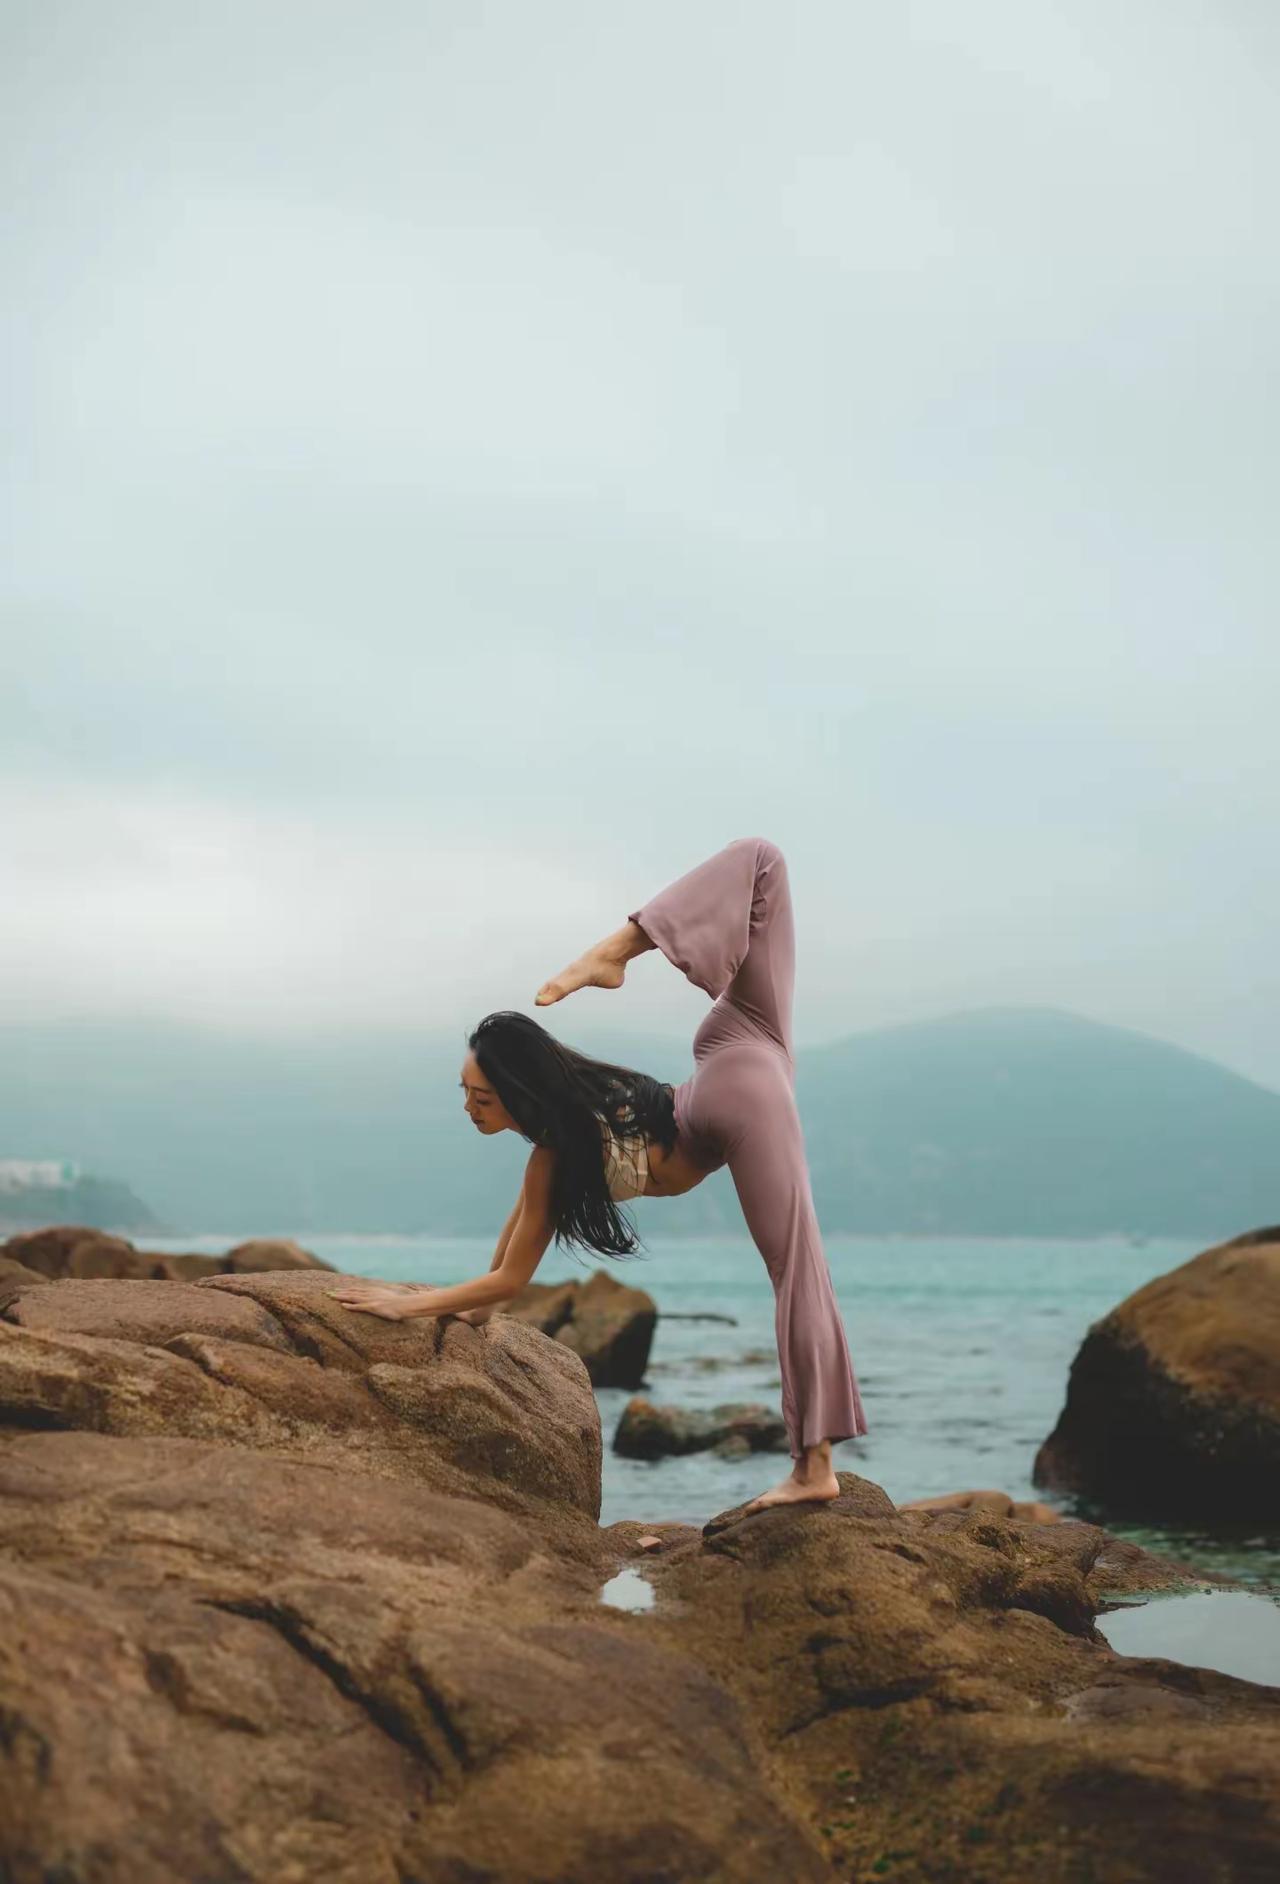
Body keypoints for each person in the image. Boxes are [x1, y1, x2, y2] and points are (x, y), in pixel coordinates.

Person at [329, 836, 868, 1513]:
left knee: (798, 1267)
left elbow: (509, 1276)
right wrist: (469, 1301)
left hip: (737, 1093)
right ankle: (620, 948)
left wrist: (406, 1305)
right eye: (464, 1093)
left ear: (521, 1097)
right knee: (764, 862)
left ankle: (814, 1466)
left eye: (484, 1098)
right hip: (739, 1045)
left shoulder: (559, 1151)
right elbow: (509, 1260)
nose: (469, 1108)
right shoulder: (553, 1153)